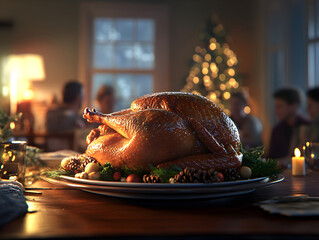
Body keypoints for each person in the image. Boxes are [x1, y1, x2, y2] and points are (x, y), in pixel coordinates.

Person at [267, 87, 310, 160]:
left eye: (279, 106)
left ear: (293, 107)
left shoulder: (307, 127)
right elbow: (271, 156)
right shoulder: (277, 129)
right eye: (276, 106)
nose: (276, 111)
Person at [45, 81, 86, 151]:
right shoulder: (74, 117)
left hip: (50, 153)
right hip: (69, 155)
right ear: (79, 97)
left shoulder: (51, 113)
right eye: (83, 95)